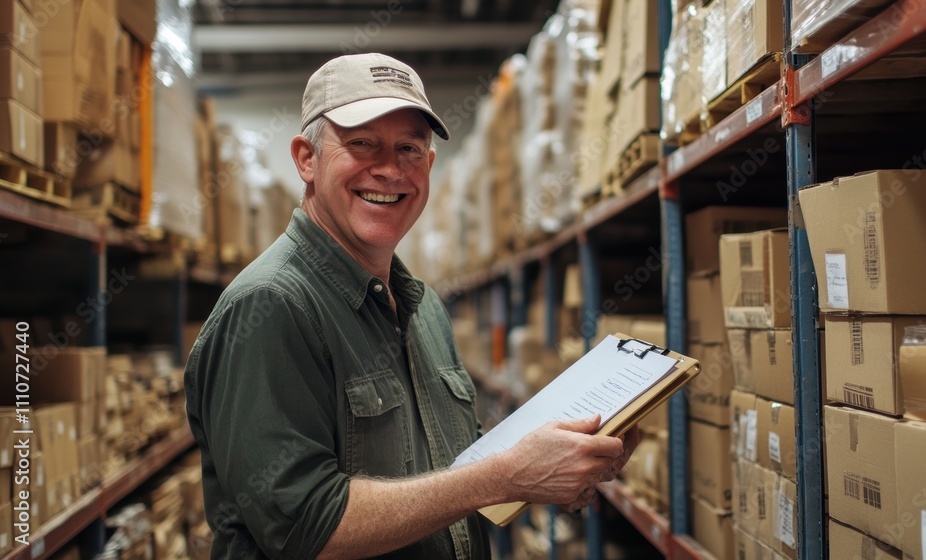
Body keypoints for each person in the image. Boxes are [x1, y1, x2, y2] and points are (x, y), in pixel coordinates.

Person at [184, 52, 640, 560]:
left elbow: (450, 468)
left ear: (430, 164)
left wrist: (563, 462)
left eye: (409, 149)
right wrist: (504, 475)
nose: (389, 170)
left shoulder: (423, 310)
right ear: (305, 159)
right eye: (361, 144)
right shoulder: (270, 308)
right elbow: (306, 527)